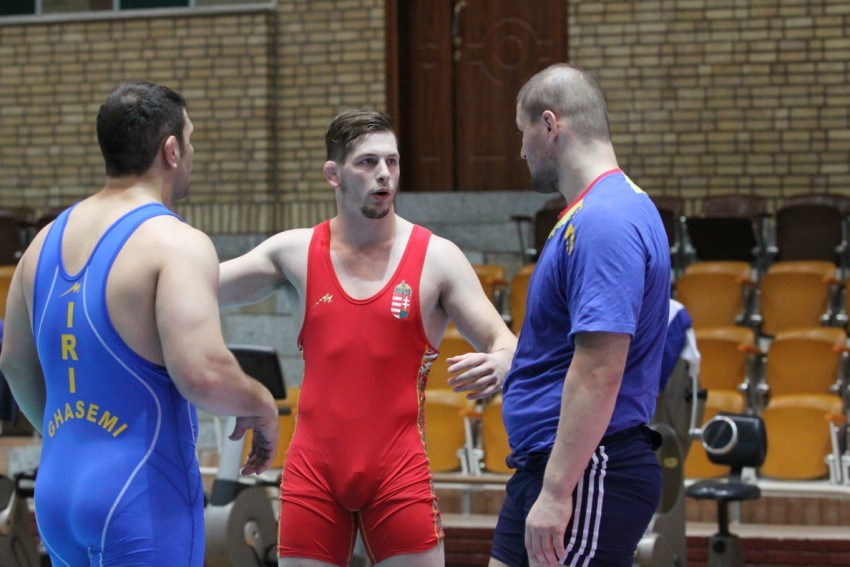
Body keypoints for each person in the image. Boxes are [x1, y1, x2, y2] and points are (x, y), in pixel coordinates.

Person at [219, 108, 517, 566]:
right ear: (333, 174)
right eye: (367, 162)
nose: (384, 174)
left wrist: (499, 361)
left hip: (399, 473)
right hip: (313, 475)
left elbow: (505, 341)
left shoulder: (437, 258)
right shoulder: (294, 252)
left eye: (391, 161)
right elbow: (198, 288)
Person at [0, 82, 279, 566]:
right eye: (190, 139)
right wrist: (260, 402)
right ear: (171, 150)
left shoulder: (43, 242)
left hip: (58, 491)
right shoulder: (175, 242)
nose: (191, 152)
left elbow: (14, 364)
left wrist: (73, 437)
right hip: (140, 496)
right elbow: (203, 373)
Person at [490, 64, 671, 567]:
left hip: (587, 470)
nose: (521, 150)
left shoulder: (604, 221)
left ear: (550, 125)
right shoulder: (590, 213)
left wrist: (556, 491)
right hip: (553, 466)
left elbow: (599, 367)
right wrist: (516, 366)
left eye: (523, 132)